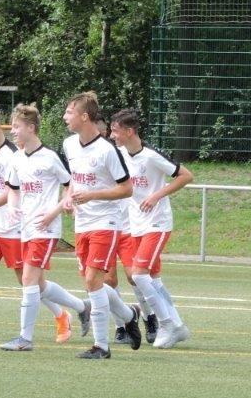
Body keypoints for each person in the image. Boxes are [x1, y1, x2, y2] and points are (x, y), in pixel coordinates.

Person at [0, 109, 85, 344]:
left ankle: (63, 314)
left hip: (17, 227)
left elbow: (11, 191)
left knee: (29, 281)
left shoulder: (15, 153)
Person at [0, 104, 92, 352]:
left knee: (28, 279)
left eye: (16, 126)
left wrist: (56, 210)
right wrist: (12, 207)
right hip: (26, 228)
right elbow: (13, 190)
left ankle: (25, 339)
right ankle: (82, 307)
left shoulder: (50, 157)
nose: (13, 131)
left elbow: (70, 185)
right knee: (38, 285)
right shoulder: (17, 158)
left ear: (31, 127)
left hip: (46, 229)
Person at [61, 91, 142, 359]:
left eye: (69, 112)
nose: (65, 117)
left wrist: (93, 195)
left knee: (92, 281)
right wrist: (68, 197)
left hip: (106, 222)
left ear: (85, 117)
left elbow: (127, 189)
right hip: (82, 222)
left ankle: (101, 346)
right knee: (92, 283)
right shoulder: (69, 145)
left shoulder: (107, 150)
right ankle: (129, 315)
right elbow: (74, 179)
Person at [110, 109, 193, 348]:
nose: (112, 136)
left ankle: (167, 324)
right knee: (153, 279)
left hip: (157, 223)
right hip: (136, 225)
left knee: (138, 274)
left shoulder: (150, 156)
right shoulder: (120, 155)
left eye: (116, 131)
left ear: (129, 131)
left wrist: (156, 195)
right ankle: (178, 326)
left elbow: (186, 176)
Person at [97, 114, 157, 345]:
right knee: (108, 280)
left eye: (107, 132)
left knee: (135, 277)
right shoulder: (90, 156)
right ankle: (121, 326)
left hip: (127, 227)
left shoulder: (120, 154)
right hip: (104, 225)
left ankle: (150, 317)